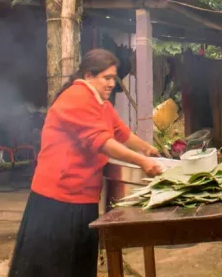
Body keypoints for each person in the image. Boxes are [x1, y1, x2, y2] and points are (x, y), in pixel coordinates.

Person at [9, 49, 163, 277]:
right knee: (53, 268)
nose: (112, 84)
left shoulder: (102, 104)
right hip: (57, 201)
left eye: (114, 78)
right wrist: (142, 161)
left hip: (84, 198)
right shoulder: (76, 97)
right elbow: (102, 142)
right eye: (106, 78)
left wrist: (147, 149)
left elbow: (121, 132)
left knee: (78, 266)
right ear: (89, 75)